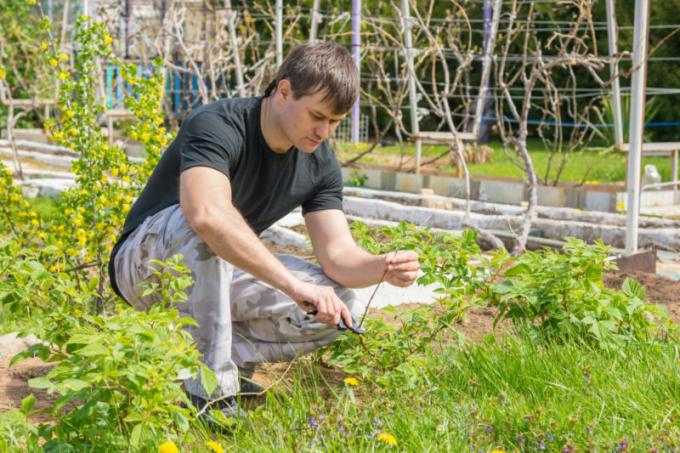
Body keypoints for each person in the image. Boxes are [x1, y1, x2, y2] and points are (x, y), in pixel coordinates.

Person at [108, 41, 420, 424]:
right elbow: (206, 215)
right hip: (146, 266)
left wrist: (382, 267)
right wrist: (291, 285)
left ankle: (209, 366)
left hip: (214, 271)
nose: (324, 132)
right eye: (317, 116)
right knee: (205, 230)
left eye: (335, 122)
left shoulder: (319, 162)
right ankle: (209, 396)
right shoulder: (218, 123)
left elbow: (338, 257)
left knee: (339, 306)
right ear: (284, 91)